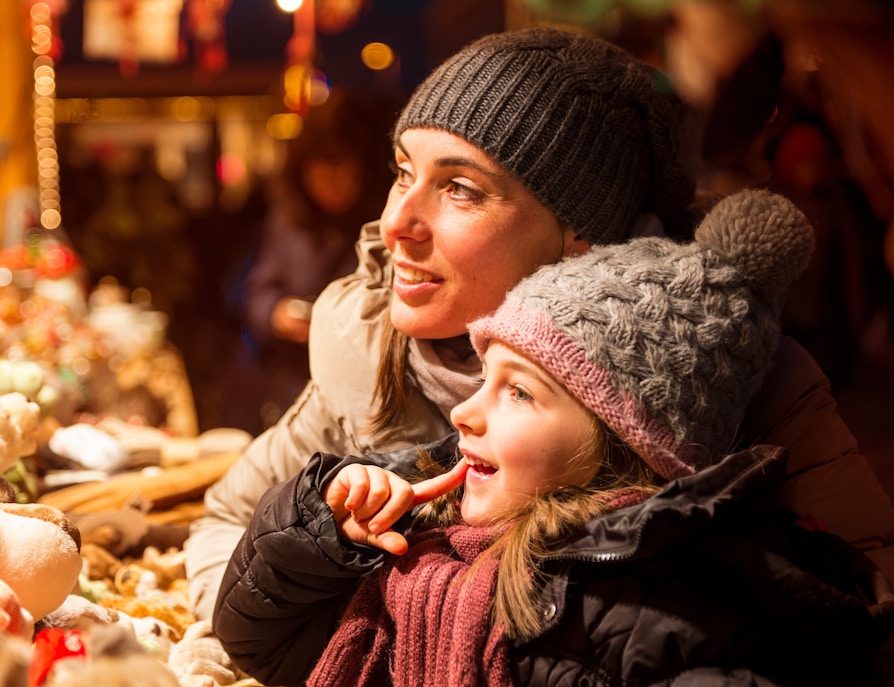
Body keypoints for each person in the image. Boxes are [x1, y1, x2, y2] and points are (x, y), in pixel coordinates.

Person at [184, 26, 894, 623]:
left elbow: (876, 610)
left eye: (460, 188)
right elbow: (227, 523)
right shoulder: (370, 353)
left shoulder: (730, 370)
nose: (396, 222)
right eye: (404, 172)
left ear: (579, 236)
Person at [214, 188, 894, 686]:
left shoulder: (670, 615)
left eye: (518, 391)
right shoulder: (430, 549)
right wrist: (316, 535)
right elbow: (260, 642)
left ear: (625, 442)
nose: (465, 414)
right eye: (486, 376)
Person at [223, 88, 395, 433]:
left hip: (366, 389)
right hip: (289, 385)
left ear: (364, 166)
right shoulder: (289, 219)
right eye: (315, 166)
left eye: (339, 163)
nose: (326, 178)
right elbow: (257, 290)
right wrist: (277, 314)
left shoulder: (389, 224)